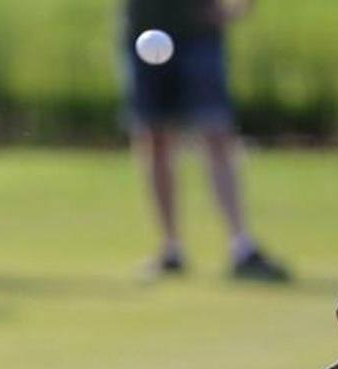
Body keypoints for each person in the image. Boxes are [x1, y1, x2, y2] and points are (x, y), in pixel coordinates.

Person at [123, 0, 291, 282]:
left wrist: (240, 7)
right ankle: (171, 249)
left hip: (199, 35)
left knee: (216, 135)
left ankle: (242, 246)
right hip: (142, 31)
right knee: (154, 139)